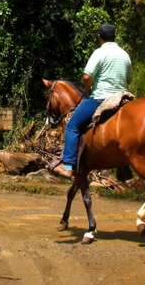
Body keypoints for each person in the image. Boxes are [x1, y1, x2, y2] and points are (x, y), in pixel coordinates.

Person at [55, 23, 132, 178]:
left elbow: (87, 76)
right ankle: (125, 168)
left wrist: (89, 89)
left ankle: (68, 165)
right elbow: (128, 80)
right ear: (115, 36)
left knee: (72, 126)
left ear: (99, 37)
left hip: (101, 98)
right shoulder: (124, 54)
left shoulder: (99, 53)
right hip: (122, 99)